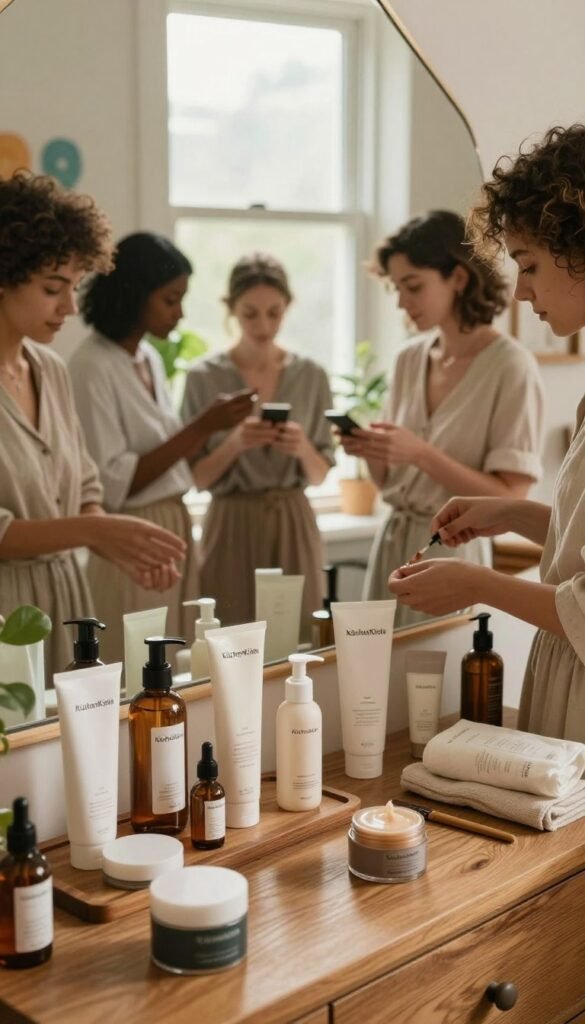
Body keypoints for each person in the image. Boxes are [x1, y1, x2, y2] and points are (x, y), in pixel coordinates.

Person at [389, 125, 585, 741]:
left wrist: (476, 582)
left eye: (529, 266)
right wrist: (515, 514)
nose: (521, 291)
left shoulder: (508, 365)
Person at [0, 174, 186, 677]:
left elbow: (84, 482)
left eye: (75, 288)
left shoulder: (51, 371)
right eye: (52, 289)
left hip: (67, 595)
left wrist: (112, 542)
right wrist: (95, 529)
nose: (70, 308)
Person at [339, 210, 544, 627]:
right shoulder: (408, 359)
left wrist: (420, 454)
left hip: (454, 553)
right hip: (392, 542)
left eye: (413, 286)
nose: (402, 302)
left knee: (441, 684)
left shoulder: (510, 367)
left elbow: (512, 498)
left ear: (459, 278)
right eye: (396, 288)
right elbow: (390, 484)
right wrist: (371, 450)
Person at [70, 232, 255, 663]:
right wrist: (203, 425)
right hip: (130, 535)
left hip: (172, 523)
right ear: (135, 295)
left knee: (172, 663)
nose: (180, 313)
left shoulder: (148, 358)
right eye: (171, 299)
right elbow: (115, 484)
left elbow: (169, 454)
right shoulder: (91, 367)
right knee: (131, 668)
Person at [181, 252, 335, 636]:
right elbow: (196, 479)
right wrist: (234, 443)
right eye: (250, 313)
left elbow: (318, 477)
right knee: (227, 640)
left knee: (298, 639)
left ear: (288, 308)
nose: (263, 325)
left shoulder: (311, 376)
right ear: (231, 309)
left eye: (274, 312)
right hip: (230, 523)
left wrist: (302, 448)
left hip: (293, 521)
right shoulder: (204, 377)